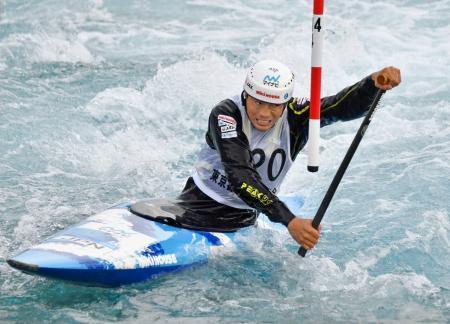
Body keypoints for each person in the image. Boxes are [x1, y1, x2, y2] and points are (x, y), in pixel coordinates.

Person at [176, 60, 401, 251]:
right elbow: (240, 176)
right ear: (246, 95)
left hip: (246, 219)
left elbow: (341, 107)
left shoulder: (297, 115)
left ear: (286, 102)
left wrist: (372, 84)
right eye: (258, 102)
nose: (264, 113)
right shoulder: (226, 114)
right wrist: (289, 220)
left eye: (275, 105)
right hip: (196, 209)